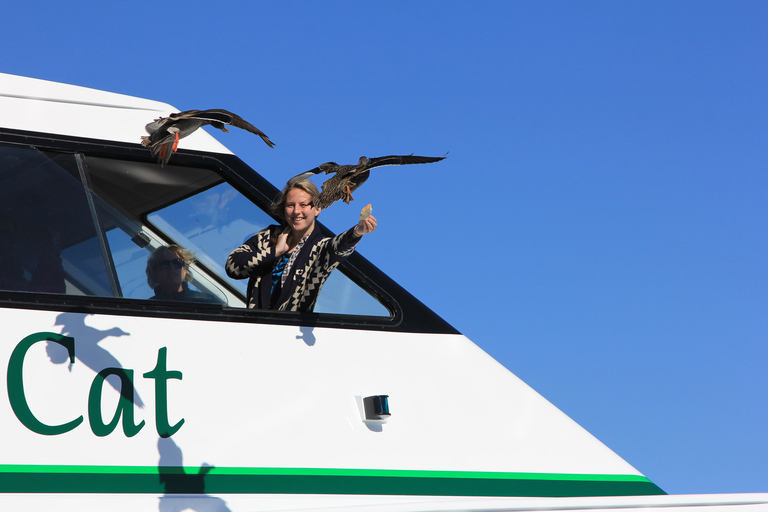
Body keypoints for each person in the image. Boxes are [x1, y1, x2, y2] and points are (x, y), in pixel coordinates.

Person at [226, 180, 377, 312]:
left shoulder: (320, 248)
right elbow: (233, 266)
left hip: (291, 336)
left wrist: (357, 232)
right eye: (290, 205)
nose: (296, 211)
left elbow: (338, 247)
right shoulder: (268, 236)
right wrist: (275, 251)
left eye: (304, 205)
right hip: (254, 328)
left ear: (317, 209)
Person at [146, 245, 219, 303]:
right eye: (165, 264)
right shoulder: (146, 309)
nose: (172, 267)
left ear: (185, 271)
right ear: (154, 273)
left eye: (177, 263)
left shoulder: (206, 301)